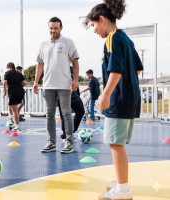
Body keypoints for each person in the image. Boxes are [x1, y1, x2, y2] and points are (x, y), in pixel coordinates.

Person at [83, 0, 143, 199]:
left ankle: (124, 190)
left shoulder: (112, 39)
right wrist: (128, 86)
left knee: (115, 143)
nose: (94, 30)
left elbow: (115, 70)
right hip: (130, 98)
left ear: (102, 19)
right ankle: (120, 181)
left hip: (118, 99)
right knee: (118, 143)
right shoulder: (126, 38)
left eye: (94, 25)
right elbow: (138, 68)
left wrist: (106, 93)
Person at [34, 17, 80, 154]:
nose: (53, 31)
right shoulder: (43, 44)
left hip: (64, 84)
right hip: (48, 85)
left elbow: (75, 63)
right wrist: (36, 81)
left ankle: (69, 142)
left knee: (66, 113)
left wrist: (75, 80)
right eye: (51, 28)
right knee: (49, 114)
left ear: (61, 28)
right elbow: (39, 65)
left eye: (55, 28)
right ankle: (51, 142)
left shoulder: (68, 42)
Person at [57, 66, 85, 143]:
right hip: (62, 94)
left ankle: (71, 131)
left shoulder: (73, 68)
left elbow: (76, 81)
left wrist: (78, 95)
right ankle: (65, 135)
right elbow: (55, 83)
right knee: (64, 116)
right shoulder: (58, 68)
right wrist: (56, 98)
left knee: (81, 111)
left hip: (74, 95)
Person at [3, 62, 26, 131]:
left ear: (7, 67)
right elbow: (25, 83)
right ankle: (10, 116)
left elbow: (4, 83)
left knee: (15, 111)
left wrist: (4, 92)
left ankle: (17, 126)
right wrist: (19, 87)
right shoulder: (19, 73)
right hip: (21, 92)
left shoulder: (7, 73)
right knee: (9, 102)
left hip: (13, 92)